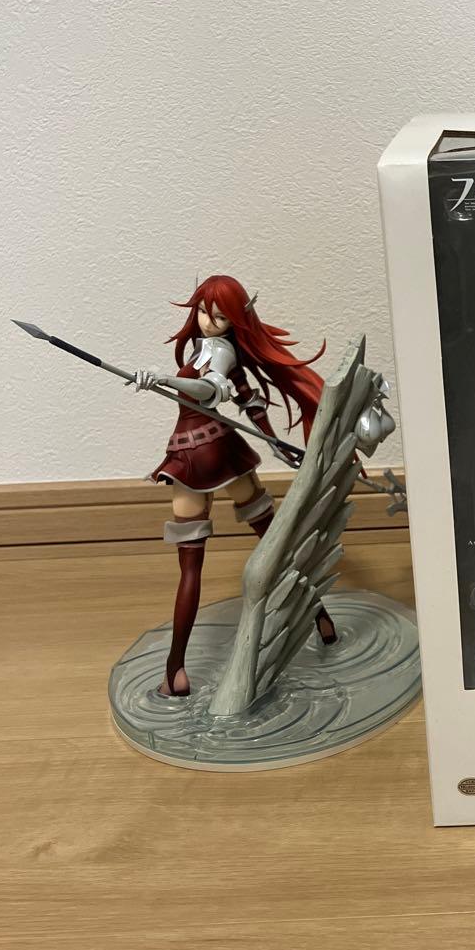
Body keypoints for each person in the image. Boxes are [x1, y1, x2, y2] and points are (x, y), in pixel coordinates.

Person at [133, 274, 336, 697]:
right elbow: (248, 400)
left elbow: (208, 389)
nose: (208, 321)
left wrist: (166, 380)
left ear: (234, 322)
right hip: (224, 453)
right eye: (203, 311)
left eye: (220, 317)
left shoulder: (220, 351)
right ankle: (321, 617)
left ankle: (175, 671)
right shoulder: (206, 346)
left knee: (194, 567)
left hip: (193, 458)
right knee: (272, 541)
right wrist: (275, 443)